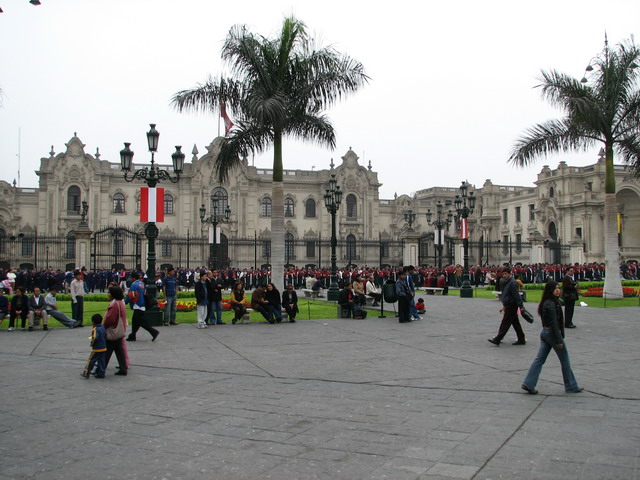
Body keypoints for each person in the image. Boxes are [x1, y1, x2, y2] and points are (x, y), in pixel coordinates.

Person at [521, 281, 583, 394]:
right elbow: (554, 322)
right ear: (551, 290)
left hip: (545, 332)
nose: (558, 290)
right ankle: (571, 386)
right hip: (552, 334)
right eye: (556, 288)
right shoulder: (551, 304)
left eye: (559, 288)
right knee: (565, 360)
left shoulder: (547, 302)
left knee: (539, 360)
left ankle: (529, 383)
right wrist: (559, 339)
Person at [488, 267, 526, 346]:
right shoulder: (507, 282)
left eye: (506, 274)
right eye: (503, 274)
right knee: (515, 323)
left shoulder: (512, 283)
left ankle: (498, 339)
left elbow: (516, 295)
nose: (504, 275)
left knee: (505, 323)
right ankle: (521, 338)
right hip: (508, 304)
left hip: (511, 305)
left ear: (510, 274)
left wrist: (521, 306)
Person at [103, 285, 128, 376]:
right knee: (119, 350)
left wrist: (104, 326)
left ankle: (101, 369)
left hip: (113, 329)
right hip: (120, 329)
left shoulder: (114, 304)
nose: (108, 295)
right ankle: (123, 367)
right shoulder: (120, 302)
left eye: (109, 293)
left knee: (107, 350)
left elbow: (110, 319)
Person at [126, 272, 159, 341]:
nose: (130, 279)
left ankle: (154, 332)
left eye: (131, 278)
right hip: (142, 304)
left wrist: (124, 302)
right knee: (135, 321)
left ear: (134, 278)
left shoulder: (134, 285)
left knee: (141, 322)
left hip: (137, 305)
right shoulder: (142, 284)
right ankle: (132, 335)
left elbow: (130, 296)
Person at [82, 314, 107, 379]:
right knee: (101, 361)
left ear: (93, 322)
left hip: (97, 348)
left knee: (91, 360)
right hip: (103, 347)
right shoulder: (103, 327)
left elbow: (95, 337)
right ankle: (101, 373)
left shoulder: (95, 329)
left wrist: (92, 343)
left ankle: (86, 372)